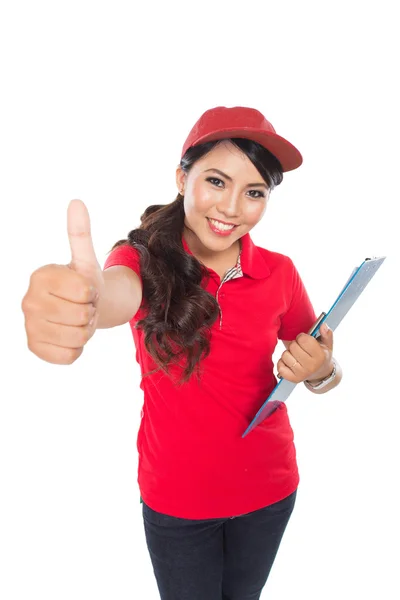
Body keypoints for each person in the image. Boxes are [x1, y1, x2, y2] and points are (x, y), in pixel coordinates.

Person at [21, 106, 343, 600]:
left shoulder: (280, 272)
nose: (233, 207)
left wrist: (323, 370)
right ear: (181, 177)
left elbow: (319, 353)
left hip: (271, 489)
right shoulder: (141, 260)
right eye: (216, 181)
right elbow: (113, 293)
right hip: (179, 500)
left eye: (254, 192)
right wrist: (83, 305)